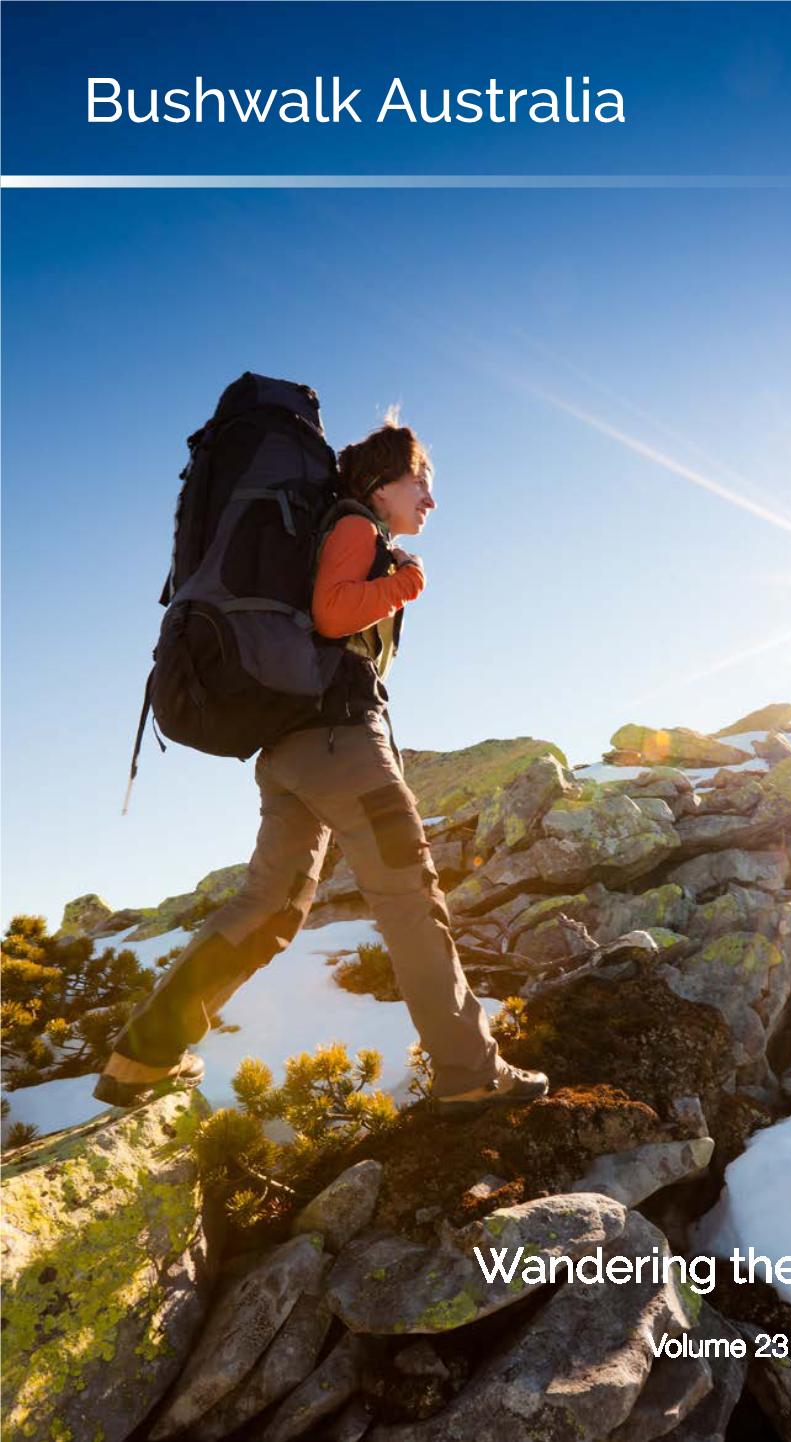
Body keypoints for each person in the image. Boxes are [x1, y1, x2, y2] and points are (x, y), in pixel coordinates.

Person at [94, 418, 548, 1119]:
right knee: (409, 894)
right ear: (379, 485)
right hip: (341, 745)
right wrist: (404, 584)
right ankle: (471, 1070)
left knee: (269, 908)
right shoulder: (356, 528)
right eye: (419, 485)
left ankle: (139, 1058)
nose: (429, 501)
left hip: (291, 753)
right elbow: (334, 615)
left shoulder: (339, 531)